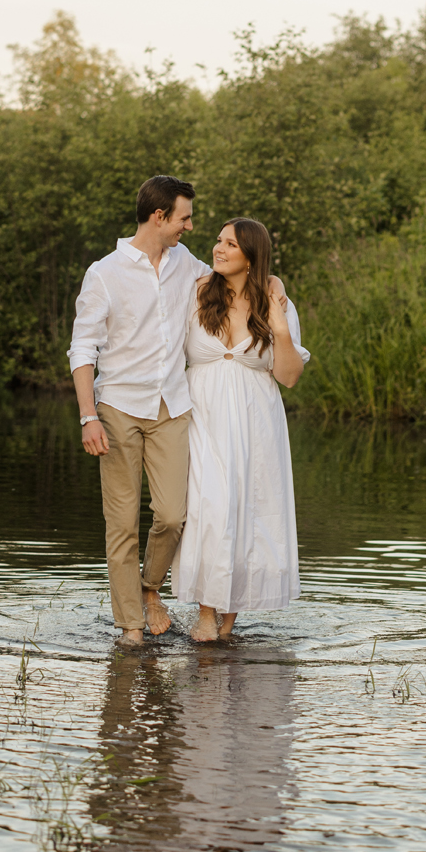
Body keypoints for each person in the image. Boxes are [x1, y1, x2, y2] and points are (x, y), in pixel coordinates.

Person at [69, 175, 204, 647]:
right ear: (159, 216)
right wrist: (89, 417)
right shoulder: (104, 273)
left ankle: (150, 589)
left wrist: (267, 278)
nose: (190, 226)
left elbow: (225, 281)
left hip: (172, 405)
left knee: (172, 515)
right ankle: (130, 627)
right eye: (184, 217)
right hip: (118, 409)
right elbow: (83, 348)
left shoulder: (186, 262)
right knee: (122, 523)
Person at [172, 218, 310, 643]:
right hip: (204, 414)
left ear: (250, 256)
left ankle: (225, 623)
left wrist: (281, 327)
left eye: (229, 244)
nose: (218, 248)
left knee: (246, 511)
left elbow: (288, 376)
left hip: (256, 421)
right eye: (218, 240)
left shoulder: (275, 301)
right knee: (210, 507)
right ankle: (206, 611)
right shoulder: (195, 291)